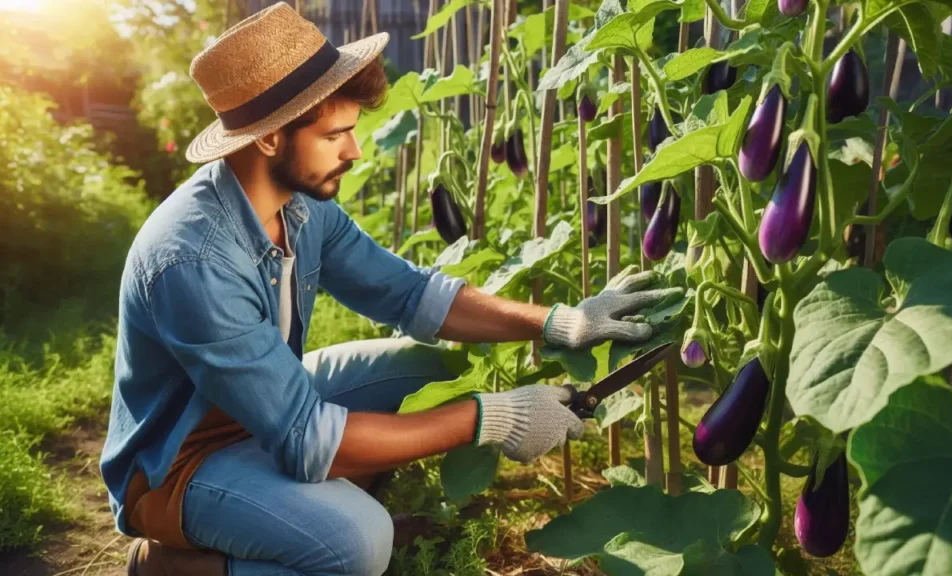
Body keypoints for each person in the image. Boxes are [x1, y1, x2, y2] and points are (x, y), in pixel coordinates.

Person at [100, 3, 680, 576]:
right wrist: (493, 417)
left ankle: (288, 521)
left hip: (263, 408)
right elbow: (307, 439)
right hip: (179, 462)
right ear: (271, 139)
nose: (354, 151)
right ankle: (173, 566)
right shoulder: (193, 260)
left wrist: (557, 322)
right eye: (336, 135)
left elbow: (409, 294)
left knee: (426, 373)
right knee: (359, 546)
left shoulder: (298, 204)